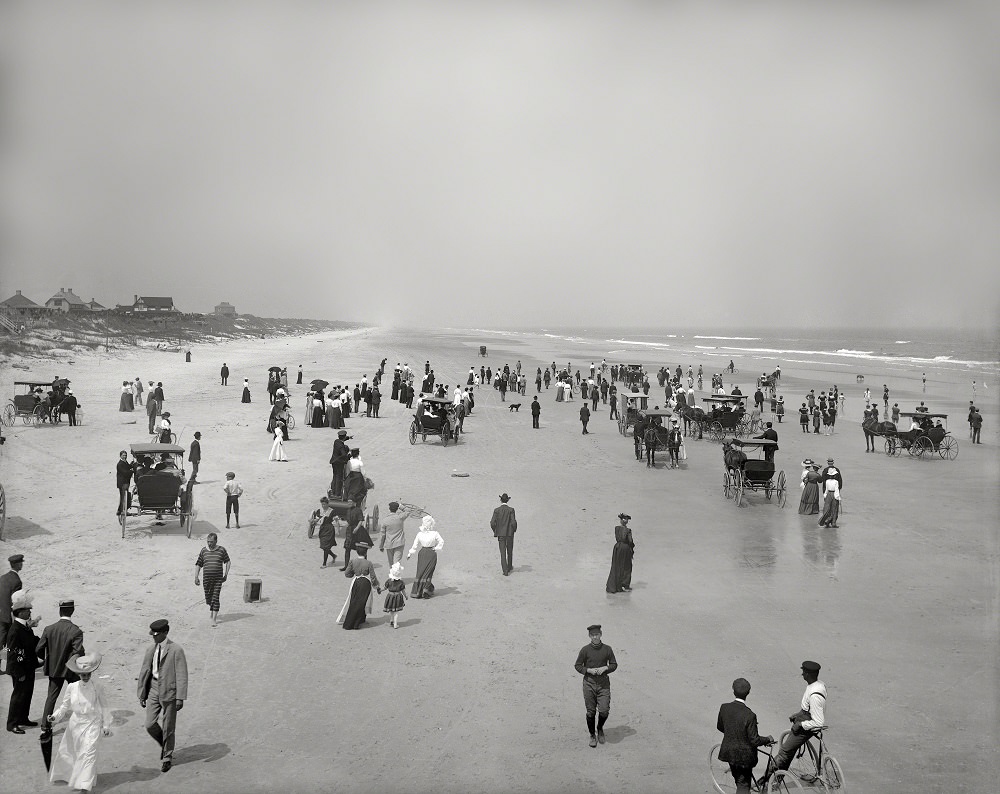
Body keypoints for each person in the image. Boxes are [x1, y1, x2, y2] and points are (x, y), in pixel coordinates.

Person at [47, 652, 112, 792]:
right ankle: (73, 777)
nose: (86, 677)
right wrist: (55, 717)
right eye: (83, 674)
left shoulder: (98, 687)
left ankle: (84, 785)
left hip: (92, 723)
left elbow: (105, 706)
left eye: (89, 674)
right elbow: (64, 705)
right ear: (78, 674)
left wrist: (106, 725)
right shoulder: (72, 687)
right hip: (75, 724)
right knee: (72, 752)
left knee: (89, 753)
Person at [138, 619, 187, 772]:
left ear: (165, 633)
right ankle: (163, 743)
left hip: (169, 691)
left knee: (168, 726)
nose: (153, 637)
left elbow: (182, 674)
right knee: (149, 724)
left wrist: (180, 697)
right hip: (153, 687)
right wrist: (141, 693)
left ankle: (167, 757)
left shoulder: (176, 650)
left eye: (156, 634)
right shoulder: (150, 649)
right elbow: (144, 671)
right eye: (152, 634)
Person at [716, 678, 774, 794]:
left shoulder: (724, 707)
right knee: (743, 785)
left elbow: (720, 727)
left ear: (733, 691)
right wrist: (767, 739)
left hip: (729, 751)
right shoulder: (750, 715)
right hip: (744, 757)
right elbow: (754, 740)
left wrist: (734, 733)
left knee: (738, 779)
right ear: (748, 693)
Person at [36, 598, 86, 726]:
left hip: (54, 669)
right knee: (79, 695)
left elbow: (38, 649)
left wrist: (49, 660)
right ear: (73, 611)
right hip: (71, 670)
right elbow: (78, 652)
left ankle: (45, 726)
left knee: (51, 698)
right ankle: (81, 722)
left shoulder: (49, 629)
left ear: (60, 611)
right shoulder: (76, 631)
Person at [773, 661, 827, 773]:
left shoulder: (814, 696)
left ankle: (766, 781)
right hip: (805, 717)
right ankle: (778, 778)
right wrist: (798, 714)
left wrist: (800, 724)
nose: (802, 674)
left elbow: (818, 722)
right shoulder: (818, 684)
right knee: (790, 750)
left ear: (807, 674)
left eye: (803, 672)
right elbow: (808, 708)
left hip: (807, 727)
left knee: (784, 753)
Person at [574, 624, 618, 748]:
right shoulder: (585, 650)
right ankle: (592, 735)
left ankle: (600, 728)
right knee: (591, 712)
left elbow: (614, 664)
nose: (595, 637)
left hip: (604, 684)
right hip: (589, 684)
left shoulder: (607, 649)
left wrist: (606, 667)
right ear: (589, 636)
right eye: (592, 635)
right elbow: (577, 665)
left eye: (597, 635)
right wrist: (588, 670)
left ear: (601, 634)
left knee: (604, 711)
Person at [6, 590, 41, 732]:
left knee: (27, 694)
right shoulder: (16, 630)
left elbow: (31, 642)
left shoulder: (24, 626)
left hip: (28, 667)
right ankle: (12, 723)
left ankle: (23, 718)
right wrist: (19, 672)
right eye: (27, 611)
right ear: (20, 612)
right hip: (20, 670)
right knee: (18, 696)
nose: (30, 613)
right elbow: (14, 653)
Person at [336, 547, 382, 630]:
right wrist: (377, 587)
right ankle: (358, 622)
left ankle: (350, 623)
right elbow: (373, 577)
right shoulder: (368, 563)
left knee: (354, 601)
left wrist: (353, 574)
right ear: (365, 553)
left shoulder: (353, 561)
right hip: (365, 583)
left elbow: (347, 574)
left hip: (356, 582)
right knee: (362, 602)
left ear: (357, 552)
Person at [194, 534, 230, 627]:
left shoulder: (221, 550)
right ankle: (212, 608)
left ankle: (214, 619)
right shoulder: (204, 550)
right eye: (208, 542)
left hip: (218, 579)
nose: (209, 543)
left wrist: (226, 574)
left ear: (216, 541)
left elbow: (228, 561)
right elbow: (198, 564)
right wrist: (196, 576)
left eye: (211, 542)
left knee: (215, 597)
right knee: (209, 598)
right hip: (206, 580)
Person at [406, 515, 444, 598]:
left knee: (420, 571)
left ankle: (418, 591)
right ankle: (426, 589)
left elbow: (414, 546)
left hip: (422, 553)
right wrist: (436, 548)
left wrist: (410, 554)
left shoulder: (419, 534)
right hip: (431, 553)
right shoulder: (435, 533)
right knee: (429, 572)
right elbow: (441, 541)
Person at [0, 553, 25, 649]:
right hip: (10, 618)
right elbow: (16, 602)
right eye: (20, 563)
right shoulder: (16, 581)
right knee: (13, 644)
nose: (22, 564)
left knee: (1, 642)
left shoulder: (3, 578)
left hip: (1, 614)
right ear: (17, 565)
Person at [378, 501, 414, 566]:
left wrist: (381, 546)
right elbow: (408, 511)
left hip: (389, 544)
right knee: (397, 562)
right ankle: (396, 575)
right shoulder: (400, 517)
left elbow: (383, 535)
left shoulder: (385, 520)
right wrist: (400, 505)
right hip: (399, 543)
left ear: (389, 509)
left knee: (391, 563)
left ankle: (392, 575)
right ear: (397, 509)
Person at [605, 513, 635, 593]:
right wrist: (632, 547)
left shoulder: (616, 528)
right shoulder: (628, 530)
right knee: (627, 566)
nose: (626, 520)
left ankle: (613, 585)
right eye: (625, 519)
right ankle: (625, 585)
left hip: (617, 547)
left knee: (616, 565)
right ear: (623, 520)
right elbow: (630, 541)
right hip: (625, 548)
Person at [490, 493, 518, 576]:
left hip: (501, 534)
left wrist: (496, 530)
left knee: (502, 552)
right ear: (507, 500)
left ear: (501, 500)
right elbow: (513, 522)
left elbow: (492, 523)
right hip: (509, 533)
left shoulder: (497, 510)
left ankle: (505, 570)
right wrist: (514, 530)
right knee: (509, 550)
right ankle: (509, 566)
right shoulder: (511, 510)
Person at [382, 563, 407, 628]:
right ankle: (395, 623)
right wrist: (406, 596)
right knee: (396, 611)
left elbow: (384, 588)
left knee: (391, 609)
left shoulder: (389, 581)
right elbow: (403, 591)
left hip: (390, 596)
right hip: (398, 596)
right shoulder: (401, 582)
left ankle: (391, 620)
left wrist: (380, 590)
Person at [330, 430, 351, 497]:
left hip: (333, 461)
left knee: (335, 476)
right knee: (339, 478)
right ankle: (337, 494)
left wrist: (348, 438)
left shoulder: (336, 441)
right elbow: (344, 454)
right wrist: (349, 456)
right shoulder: (342, 446)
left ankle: (333, 491)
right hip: (339, 463)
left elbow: (342, 440)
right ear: (344, 437)